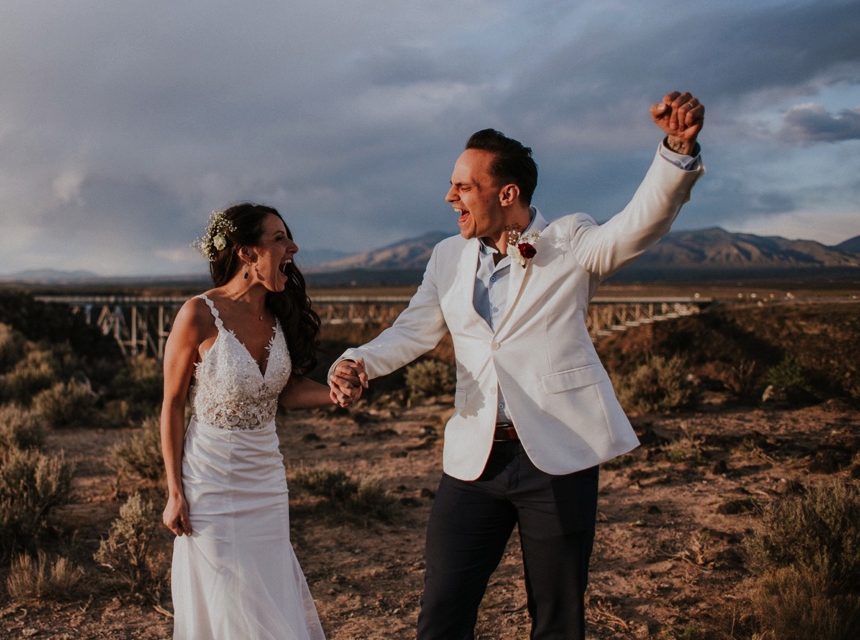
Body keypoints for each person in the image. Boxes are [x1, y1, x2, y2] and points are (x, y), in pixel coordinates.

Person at [329, 91, 706, 639]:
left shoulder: (569, 240)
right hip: (473, 465)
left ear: (507, 193)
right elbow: (414, 330)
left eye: (463, 186)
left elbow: (636, 227)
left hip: (556, 457)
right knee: (441, 612)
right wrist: (358, 360)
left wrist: (674, 152)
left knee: (557, 618)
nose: (449, 196)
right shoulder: (446, 257)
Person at [161, 203, 354, 639]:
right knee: (226, 597)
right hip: (209, 480)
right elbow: (172, 404)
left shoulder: (282, 316)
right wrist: (175, 491)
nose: (293, 247)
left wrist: (334, 394)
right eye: (279, 239)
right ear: (247, 253)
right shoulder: (196, 314)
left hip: (266, 479)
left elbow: (287, 392)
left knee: (267, 592)